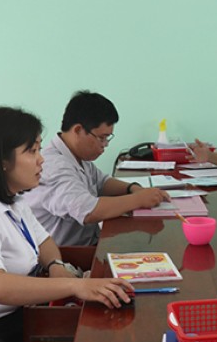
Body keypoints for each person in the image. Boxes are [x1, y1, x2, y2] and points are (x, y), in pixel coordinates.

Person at [0, 107, 134, 342]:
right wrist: (74, 285)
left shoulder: (12, 199)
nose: (41, 160)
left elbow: (44, 241)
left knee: (104, 334)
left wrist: (55, 265)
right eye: (32, 151)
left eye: (39, 149)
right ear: (2, 160)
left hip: (15, 318)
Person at [23, 91, 169, 246]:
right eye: (101, 138)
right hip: (65, 254)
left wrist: (133, 189)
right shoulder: (54, 166)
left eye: (107, 138)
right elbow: (88, 211)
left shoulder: (76, 155)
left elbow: (101, 182)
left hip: (88, 243)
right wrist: (138, 199)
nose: (105, 144)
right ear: (78, 130)